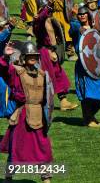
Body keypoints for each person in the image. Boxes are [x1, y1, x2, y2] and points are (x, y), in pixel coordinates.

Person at [0, 42, 53, 183]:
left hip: (39, 117)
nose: (33, 58)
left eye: (35, 55)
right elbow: (3, 69)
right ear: (23, 57)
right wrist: (5, 56)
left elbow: (48, 97)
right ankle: (8, 177)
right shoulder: (16, 72)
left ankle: (46, 178)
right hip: (22, 116)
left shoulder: (42, 75)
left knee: (44, 148)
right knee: (16, 148)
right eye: (30, 56)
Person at [70, 6, 100, 127]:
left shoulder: (94, 29)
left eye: (84, 14)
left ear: (88, 15)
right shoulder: (76, 28)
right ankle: (88, 119)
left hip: (95, 66)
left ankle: (89, 115)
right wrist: (75, 18)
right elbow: (72, 27)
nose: (82, 16)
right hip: (84, 66)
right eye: (80, 14)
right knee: (88, 95)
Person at [33, 0, 78, 111]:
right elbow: (42, 17)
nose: (49, 11)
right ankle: (41, 103)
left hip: (52, 51)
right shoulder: (38, 22)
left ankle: (63, 102)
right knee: (48, 78)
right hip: (44, 52)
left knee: (59, 74)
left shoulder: (50, 20)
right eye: (47, 9)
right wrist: (47, 6)